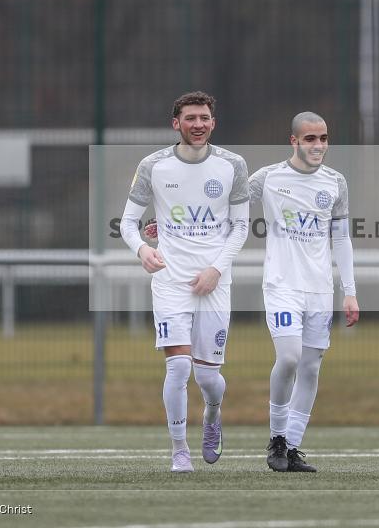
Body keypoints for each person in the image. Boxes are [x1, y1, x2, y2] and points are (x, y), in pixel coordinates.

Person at [119, 91, 249, 473]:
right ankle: (180, 452)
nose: (198, 124)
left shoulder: (233, 165)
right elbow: (128, 222)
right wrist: (143, 250)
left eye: (204, 118)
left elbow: (240, 227)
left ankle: (212, 414)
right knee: (177, 369)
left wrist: (215, 270)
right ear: (176, 123)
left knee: (208, 377)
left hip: (214, 283)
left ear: (213, 122)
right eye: (190, 118)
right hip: (170, 280)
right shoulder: (153, 165)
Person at [248, 111, 359, 472]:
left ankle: (291, 448)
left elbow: (341, 239)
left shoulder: (335, 183)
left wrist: (349, 291)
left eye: (324, 138)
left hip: (319, 290)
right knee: (291, 357)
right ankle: (276, 437)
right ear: (293, 141)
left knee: (311, 367)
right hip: (281, 286)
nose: (319, 145)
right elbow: (227, 206)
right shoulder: (267, 178)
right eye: (310, 138)